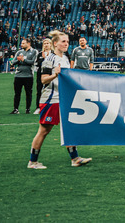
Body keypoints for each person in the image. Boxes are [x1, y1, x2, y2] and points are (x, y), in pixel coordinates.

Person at [27, 30, 92, 169]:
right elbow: (43, 80)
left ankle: (75, 158)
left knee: (69, 127)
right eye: (63, 41)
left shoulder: (66, 59)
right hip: (51, 99)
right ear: (55, 43)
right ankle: (32, 162)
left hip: (63, 98)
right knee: (44, 131)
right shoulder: (49, 59)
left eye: (67, 41)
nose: (66, 44)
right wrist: (54, 75)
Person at [11, 38, 38, 115]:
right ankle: (15, 109)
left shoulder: (34, 51)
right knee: (17, 93)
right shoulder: (19, 52)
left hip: (28, 76)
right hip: (18, 75)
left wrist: (24, 60)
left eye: (23, 43)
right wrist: (19, 60)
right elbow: (13, 62)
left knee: (28, 93)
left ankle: (28, 109)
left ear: (28, 44)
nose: (21, 45)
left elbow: (33, 62)